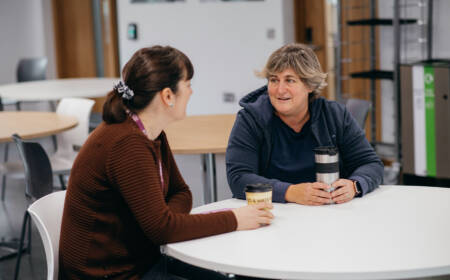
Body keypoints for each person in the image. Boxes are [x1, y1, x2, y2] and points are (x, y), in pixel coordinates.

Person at [59, 46, 274, 280]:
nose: (192, 92)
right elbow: (163, 230)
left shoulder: (151, 133)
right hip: (110, 274)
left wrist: (165, 222)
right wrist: (234, 219)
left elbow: (180, 193)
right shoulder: (127, 143)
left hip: (139, 260)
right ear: (168, 96)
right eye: (188, 84)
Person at [226, 43, 383, 206]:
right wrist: (289, 192)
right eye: (274, 80)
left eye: (290, 80)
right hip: (273, 214)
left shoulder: (335, 115)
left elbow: (371, 164)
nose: (280, 90)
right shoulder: (250, 119)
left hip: (330, 213)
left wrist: (355, 185)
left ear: (310, 85)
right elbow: (239, 177)